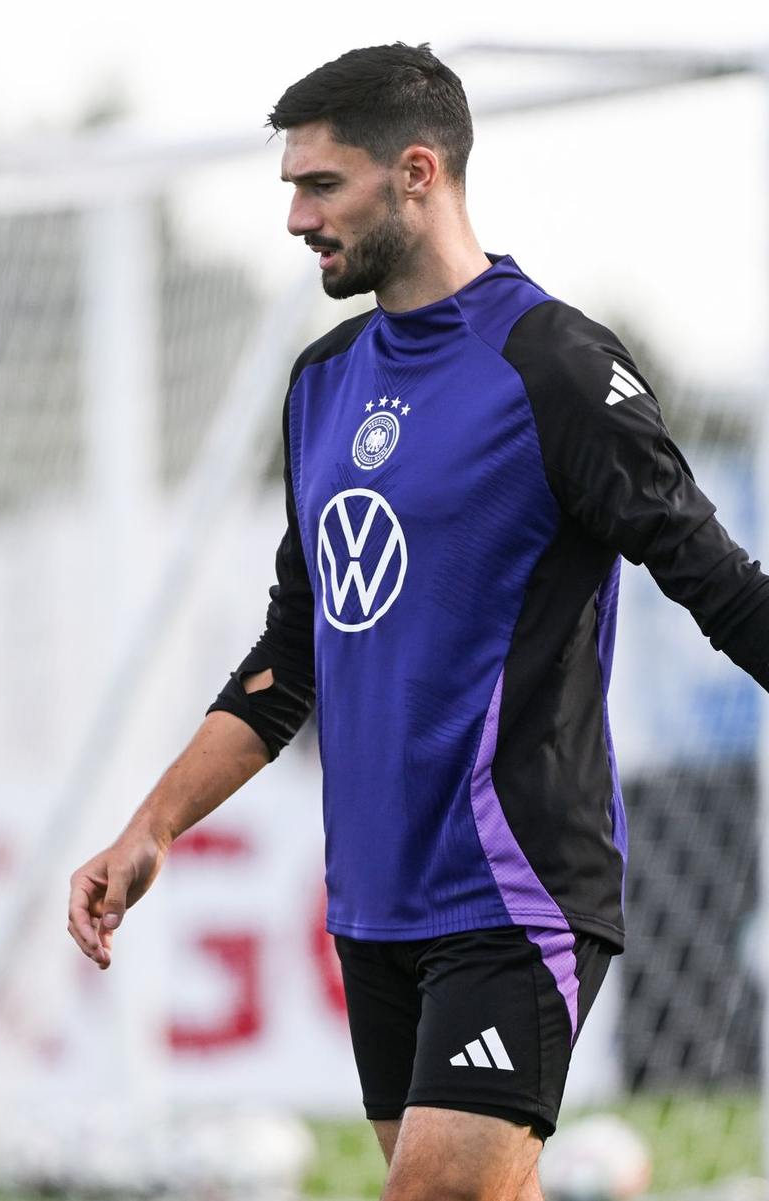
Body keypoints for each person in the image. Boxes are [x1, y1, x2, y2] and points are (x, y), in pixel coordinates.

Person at [67, 43, 769, 1201]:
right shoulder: (322, 382)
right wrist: (155, 825)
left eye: (320, 184)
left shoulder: (554, 364)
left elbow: (720, 581)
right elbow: (292, 654)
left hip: (516, 884)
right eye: (291, 186)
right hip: (375, 897)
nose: (296, 216)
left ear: (418, 173)